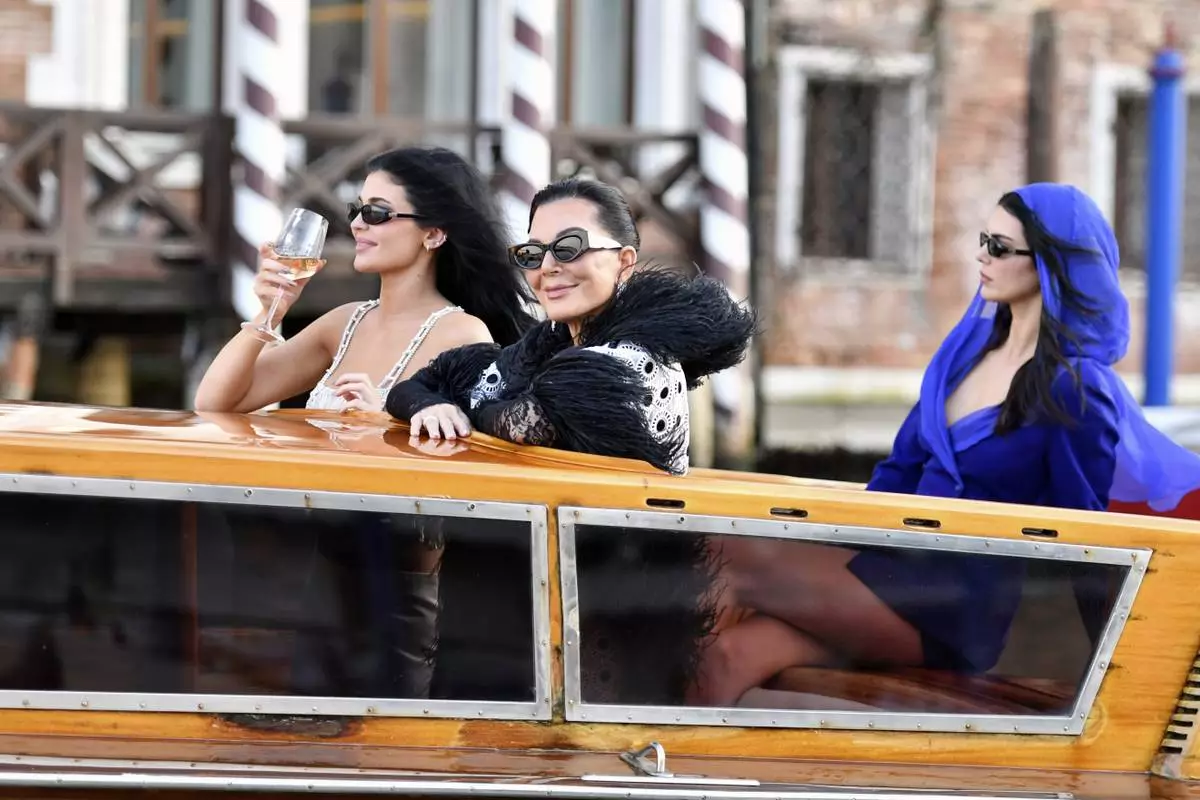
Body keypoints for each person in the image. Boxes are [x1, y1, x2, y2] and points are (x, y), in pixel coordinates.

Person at [686, 182, 1200, 707]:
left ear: (1048, 265)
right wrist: (815, 551)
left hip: (954, 607)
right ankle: (672, 751)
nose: (982, 256)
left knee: (724, 554)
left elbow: (1092, 540)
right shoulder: (962, 358)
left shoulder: (1074, 388)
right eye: (984, 240)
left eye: (1000, 247)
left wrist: (1125, 681)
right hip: (884, 572)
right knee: (728, 654)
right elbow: (895, 479)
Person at [384, 177, 757, 476]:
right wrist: (430, 404)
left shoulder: (629, 361)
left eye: (569, 247)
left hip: (622, 547)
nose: (548, 267)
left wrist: (457, 407)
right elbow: (415, 387)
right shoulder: (544, 346)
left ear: (624, 261)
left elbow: (524, 424)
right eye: (533, 253)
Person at [194, 146, 537, 414]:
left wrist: (385, 421)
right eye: (356, 210)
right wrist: (270, 312)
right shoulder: (344, 324)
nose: (357, 224)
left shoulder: (461, 334)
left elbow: (467, 454)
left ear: (433, 234)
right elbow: (215, 404)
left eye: (376, 213)